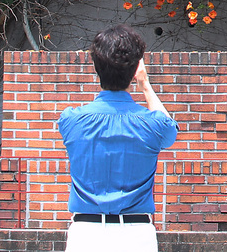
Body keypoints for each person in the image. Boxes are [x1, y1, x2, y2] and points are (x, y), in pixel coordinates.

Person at [58, 25, 178, 252]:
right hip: (136, 234)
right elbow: (169, 131)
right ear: (135, 69)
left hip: (85, 234)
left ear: (97, 67)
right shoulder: (152, 124)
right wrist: (145, 84)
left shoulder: (71, 119)